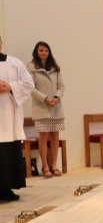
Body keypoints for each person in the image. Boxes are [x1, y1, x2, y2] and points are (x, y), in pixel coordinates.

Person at [0, 35, 34, 201]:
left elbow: (29, 84)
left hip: (9, 118)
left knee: (8, 155)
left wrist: (10, 86)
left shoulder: (15, 63)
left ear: (1, 43)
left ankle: (7, 189)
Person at [27, 41, 65, 178]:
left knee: (55, 136)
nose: (44, 53)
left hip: (56, 106)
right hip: (41, 107)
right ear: (36, 52)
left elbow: (61, 86)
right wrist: (45, 99)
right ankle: (45, 166)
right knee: (43, 137)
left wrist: (56, 98)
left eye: (46, 51)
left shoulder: (55, 67)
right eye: (41, 50)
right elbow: (30, 88)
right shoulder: (31, 67)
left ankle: (54, 165)